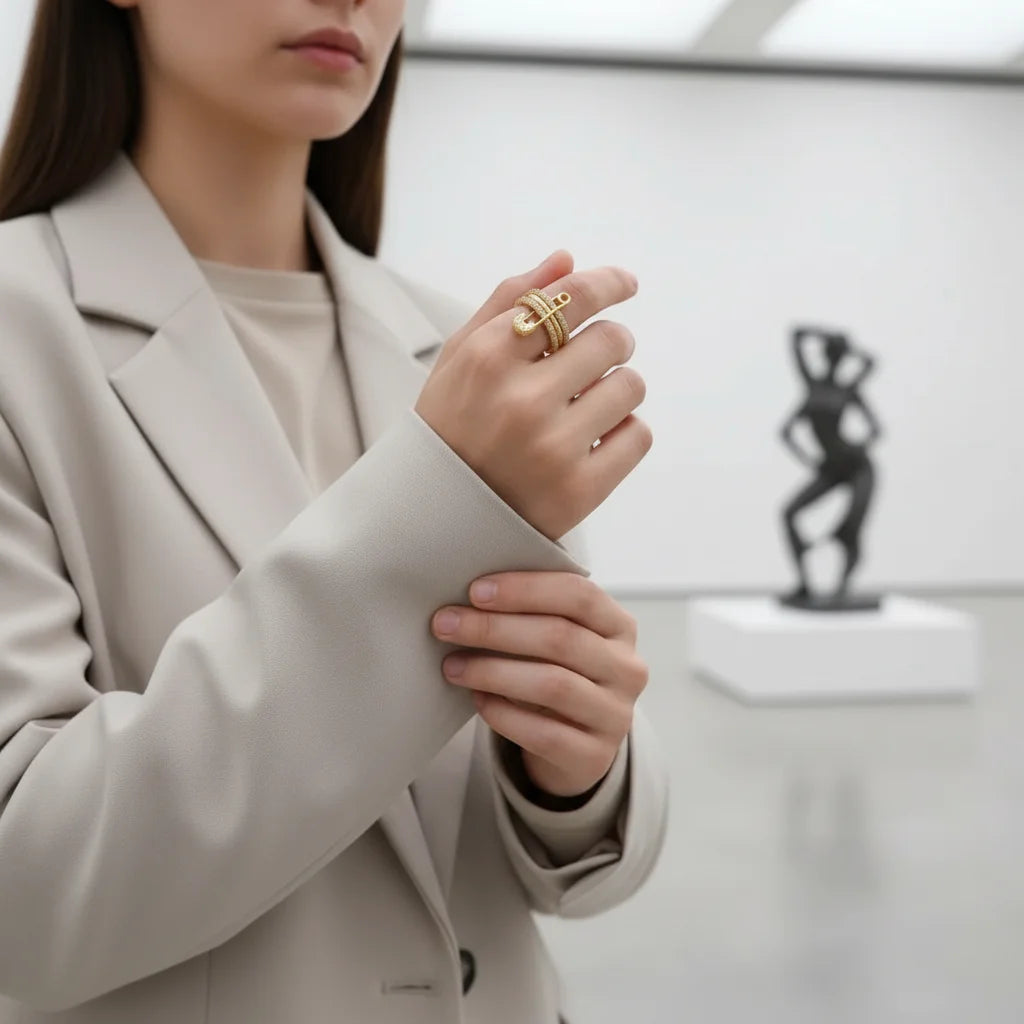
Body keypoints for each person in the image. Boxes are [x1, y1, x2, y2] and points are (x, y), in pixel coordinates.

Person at [0, 2, 669, 1022]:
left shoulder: (459, 347)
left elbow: (567, 870)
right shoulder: (19, 329)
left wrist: (578, 776)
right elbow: (24, 900)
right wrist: (431, 512)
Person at [779, 327, 882, 607]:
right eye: (833, 352)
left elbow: (876, 428)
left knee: (850, 528)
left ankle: (842, 587)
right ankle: (804, 583)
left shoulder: (848, 390)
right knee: (789, 513)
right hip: (831, 468)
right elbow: (796, 335)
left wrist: (859, 445)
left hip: (858, 467)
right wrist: (811, 460)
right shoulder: (813, 387)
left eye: (838, 353)